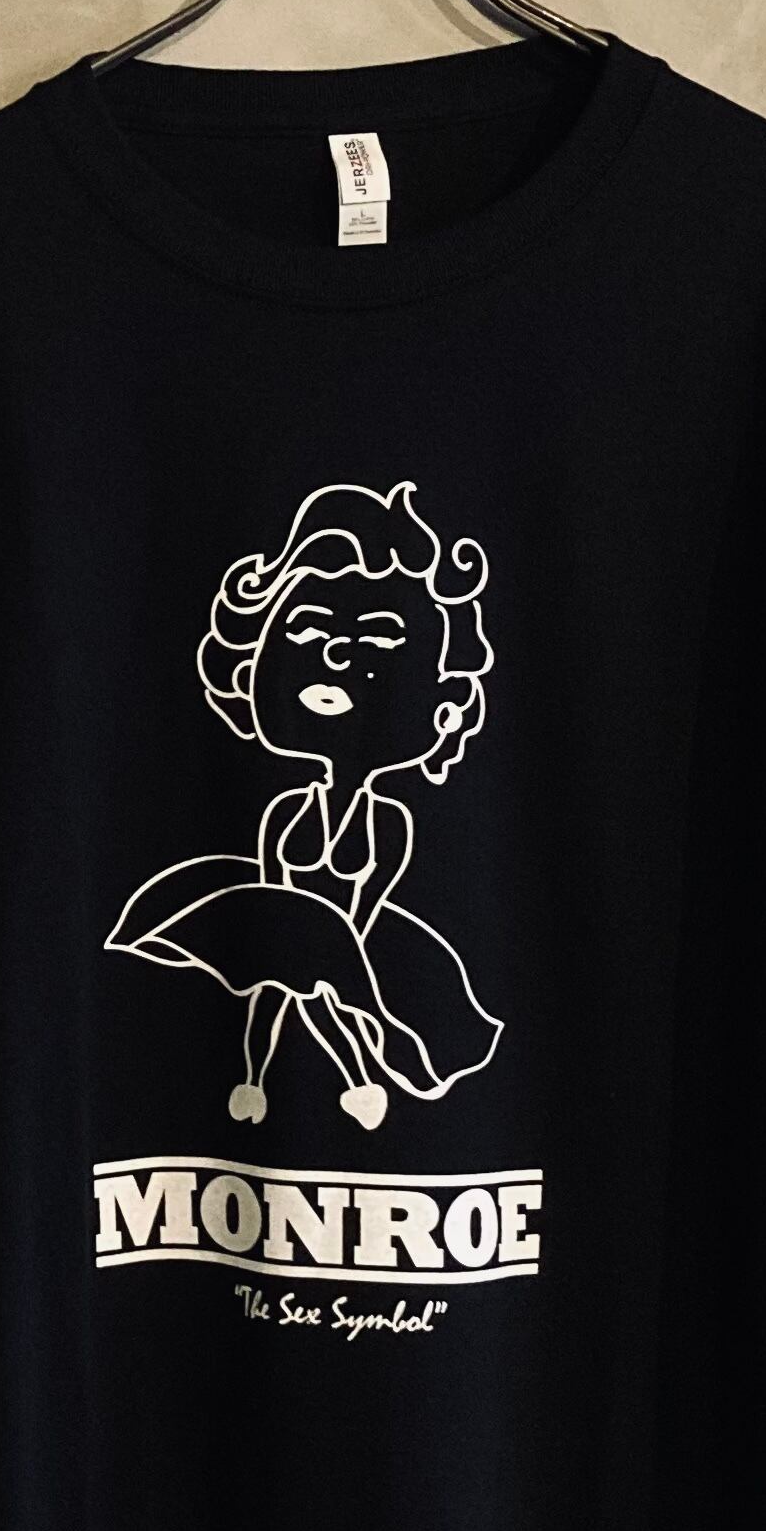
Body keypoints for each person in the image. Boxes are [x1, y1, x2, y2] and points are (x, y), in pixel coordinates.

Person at [108, 479, 501, 1129]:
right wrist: (294, 937)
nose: (335, 655)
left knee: (320, 993)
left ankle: (351, 1080)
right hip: (278, 931)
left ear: (443, 705)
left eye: (377, 642)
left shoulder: (389, 822)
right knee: (268, 996)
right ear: (248, 671)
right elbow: (269, 889)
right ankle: (261, 1082)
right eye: (308, 630)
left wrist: (335, 956)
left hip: (342, 941)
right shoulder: (286, 810)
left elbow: (360, 914)